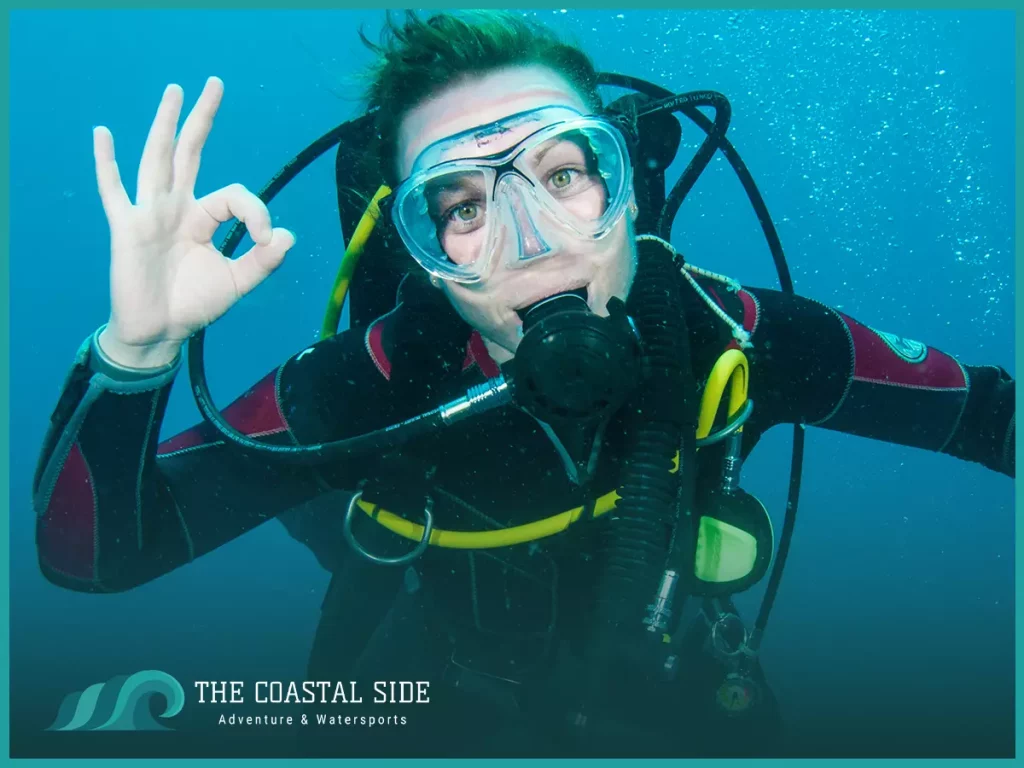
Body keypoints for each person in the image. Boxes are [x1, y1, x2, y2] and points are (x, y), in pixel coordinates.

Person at [32, 10, 1013, 759]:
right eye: (461, 206)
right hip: (444, 678)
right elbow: (94, 559)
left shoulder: (734, 338)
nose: (532, 242)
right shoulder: (376, 379)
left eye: (563, 174)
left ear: (627, 183)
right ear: (424, 254)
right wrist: (136, 351)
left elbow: (989, 415)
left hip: (667, 670)